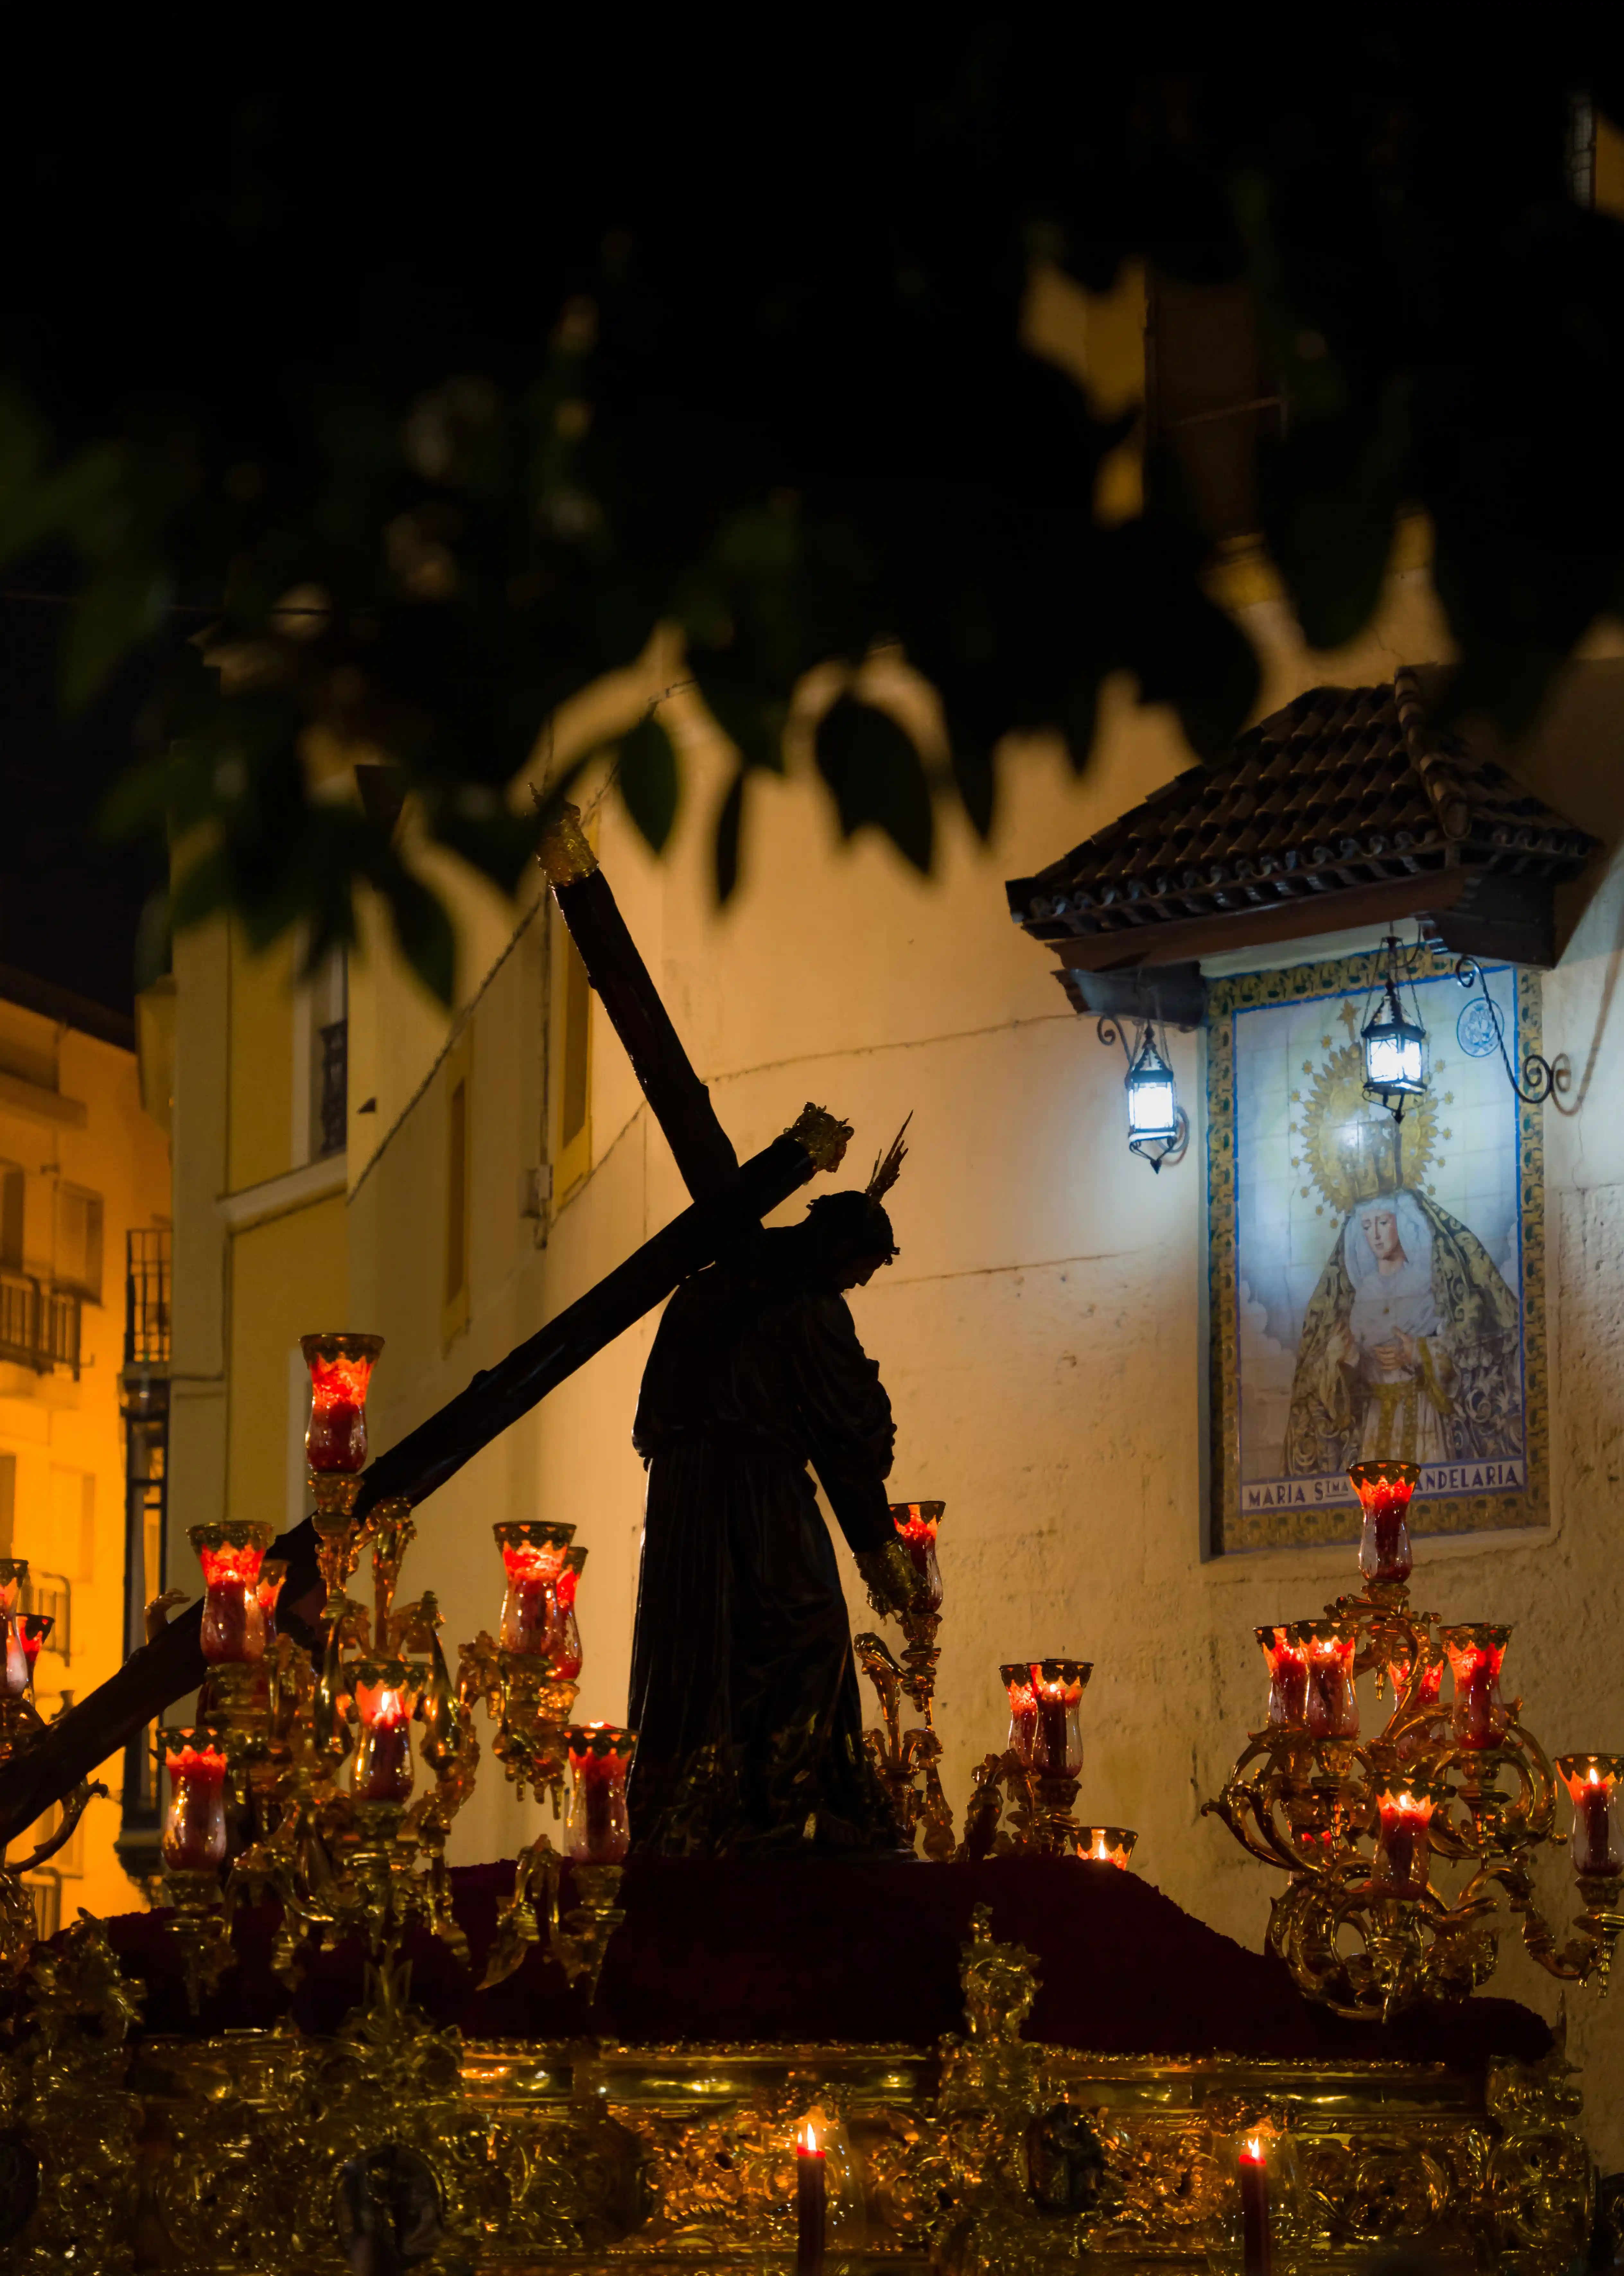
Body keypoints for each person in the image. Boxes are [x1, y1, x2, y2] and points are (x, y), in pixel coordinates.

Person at [626, 1126, 925, 1856]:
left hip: (686, 1501)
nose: (856, 1285)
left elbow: (658, 1413)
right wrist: (876, 1545)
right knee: (811, 1624)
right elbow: (844, 1431)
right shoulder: (801, 1302)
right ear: (839, 1252)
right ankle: (779, 1802)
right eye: (859, 1271)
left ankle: (718, 1802)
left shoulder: (717, 1283)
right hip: (751, 1491)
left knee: (715, 1640)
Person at [1285, 1185, 1521, 1477]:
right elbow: (1341, 1385)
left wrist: (1418, 1352)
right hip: (1374, 1419)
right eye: (1367, 1226)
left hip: (1423, 1411)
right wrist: (1343, 1360)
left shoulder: (1426, 1285)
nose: (1376, 1235)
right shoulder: (1362, 1296)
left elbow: (1462, 1352)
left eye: (1383, 1223)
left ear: (1403, 1223)